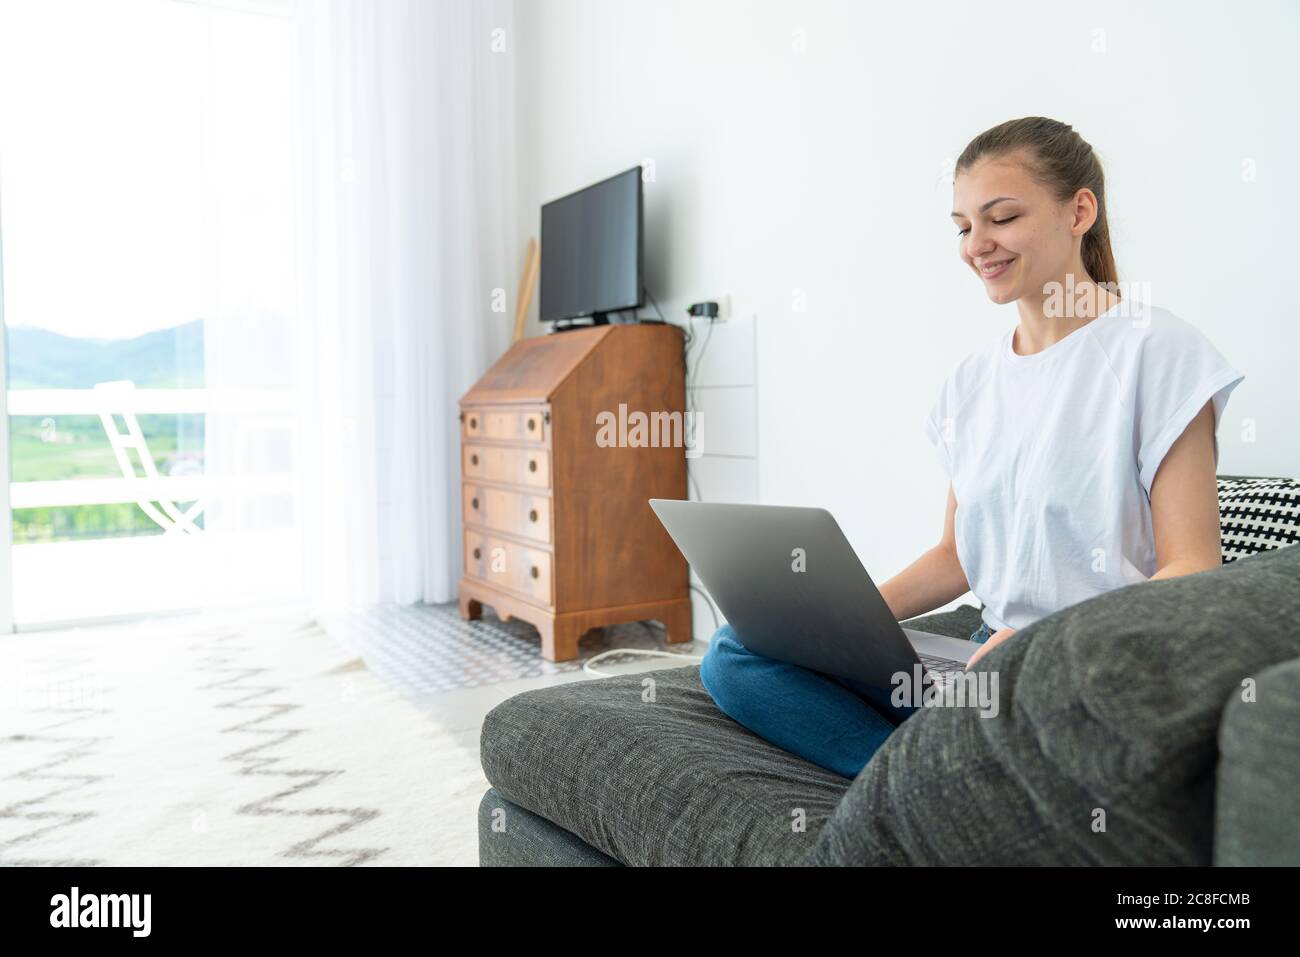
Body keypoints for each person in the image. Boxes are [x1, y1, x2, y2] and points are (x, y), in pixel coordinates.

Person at [699, 116, 1245, 780]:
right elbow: (955, 556)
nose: (976, 245)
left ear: (1080, 211)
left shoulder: (1159, 353)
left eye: (1002, 217)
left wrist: (1046, 641)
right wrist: (840, 621)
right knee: (736, 651)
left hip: (1087, 665)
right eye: (962, 226)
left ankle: (927, 778)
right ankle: (914, 780)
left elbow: (1193, 565)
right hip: (984, 664)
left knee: (1003, 705)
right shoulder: (972, 384)